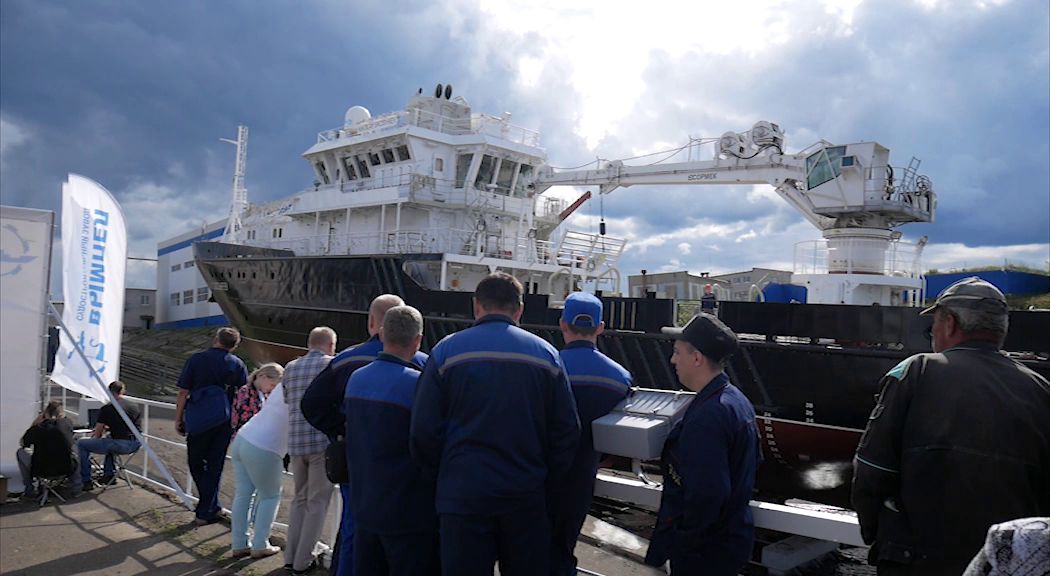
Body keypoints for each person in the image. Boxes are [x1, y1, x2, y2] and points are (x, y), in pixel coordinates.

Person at [852, 277, 1050, 575]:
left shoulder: (916, 370)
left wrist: (876, 535)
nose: (932, 332)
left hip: (917, 559)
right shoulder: (1041, 389)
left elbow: (872, 469)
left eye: (934, 323)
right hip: (1000, 564)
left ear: (950, 323)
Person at [411, 272, 580, 576]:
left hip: (463, 496)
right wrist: (543, 481)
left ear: (476, 306)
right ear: (519, 310)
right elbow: (566, 430)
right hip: (524, 495)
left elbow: (423, 430)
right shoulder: (546, 356)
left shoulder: (446, 352)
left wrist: (444, 477)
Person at [301, 295, 424, 576]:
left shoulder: (346, 360)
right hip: (403, 473)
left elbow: (311, 403)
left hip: (356, 463)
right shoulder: (421, 365)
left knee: (353, 528)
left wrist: (342, 430)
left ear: (373, 323)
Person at [644, 313, 761, 576]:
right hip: (730, 542)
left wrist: (681, 545)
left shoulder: (708, 416)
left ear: (696, 358)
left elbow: (707, 494)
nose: (673, 360)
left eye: (677, 352)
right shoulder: (737, 401)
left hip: (704, 553)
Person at [345, 305, 436, 575]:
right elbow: (429, 443)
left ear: (382, 334)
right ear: (418, 340)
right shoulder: (419, 385)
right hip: (407, 510)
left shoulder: (356, 379)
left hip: (365, 504)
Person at [548, 292, 631, 576]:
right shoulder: (619, 378)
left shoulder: (546, 367)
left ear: (563, 324)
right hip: (581, 479)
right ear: (600, 327)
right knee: (563, 551)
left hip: (538, 475)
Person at [175, 326, 249, 526]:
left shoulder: (196, 360)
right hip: (225, 421)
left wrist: (178, 418)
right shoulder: (237, 364)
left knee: (195, 462)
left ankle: (206, 509)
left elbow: (183, 392)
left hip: (198, 419)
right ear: (234, 346)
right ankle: (210, 508)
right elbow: (242, 395)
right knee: (215, 465)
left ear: (216, 339)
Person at [282, 326, 337, 575]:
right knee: (317, 502)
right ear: (330, 345)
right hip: (320, 443)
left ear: (309, 344)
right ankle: (303, 561)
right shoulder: (331, 365)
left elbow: (287, 400)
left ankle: (290, 556)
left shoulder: (290, 368)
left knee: (299, 500)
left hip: (296, 442)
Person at [230, 362, 286, 559]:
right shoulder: (293, 394)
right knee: (270, 496)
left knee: (243, 493)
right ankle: (260, 543)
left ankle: (239, 543)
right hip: (264, 446)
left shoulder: (277, 392)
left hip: (242, 438)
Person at [76, 380, 142, 492]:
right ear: (122, 391)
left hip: (120, 444)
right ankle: (108, 474)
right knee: (109, 440)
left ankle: (86, 480)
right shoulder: (134, 406)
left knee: (82, 443)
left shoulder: (107, 408)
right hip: (136, 443)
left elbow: (97, 435)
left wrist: (96, 433)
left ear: (109, 392)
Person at [16, 401, 79, 498]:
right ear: (61, 413)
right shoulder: (67, 423)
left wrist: (35, 423)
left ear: (45, 414)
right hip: (66, 468)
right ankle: (76, 487)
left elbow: (23, 443)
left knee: (20, 452)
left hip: (42, 470)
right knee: (75, 448)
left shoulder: (37, 428)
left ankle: (30, 489)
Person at [231, 361, 275, 435]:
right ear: (263, 377)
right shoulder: (245, 392)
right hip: (243, 435)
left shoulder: (265, 395)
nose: (273, 389)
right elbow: (242, 419)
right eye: (272, 385)